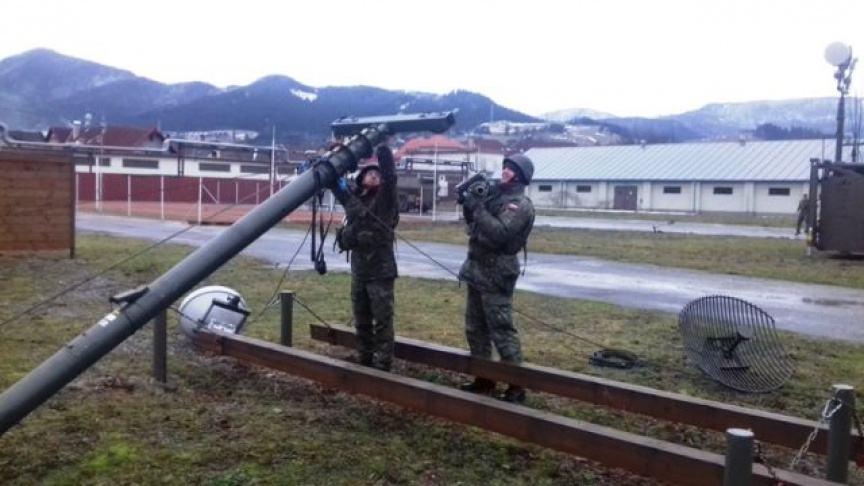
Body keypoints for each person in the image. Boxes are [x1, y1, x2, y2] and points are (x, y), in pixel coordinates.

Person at [458, 154, 536, 403]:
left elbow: (501, 233)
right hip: (477, 269)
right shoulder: (494, 197)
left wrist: (478, 208)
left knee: (501, 329)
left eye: (510, 169)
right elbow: (474, 227)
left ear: (520, 176)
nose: (504, 172)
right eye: (504, 168)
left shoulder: (519, 205)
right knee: (476, 328)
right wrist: (470, 205)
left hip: (497, 273)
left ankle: (516, 385)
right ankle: (484, 378)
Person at [332, 142, 400, 371]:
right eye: (369, 173)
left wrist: (382, 149)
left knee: (382, 320)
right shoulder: (354, 200)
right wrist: (335, 160)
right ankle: (365, 359)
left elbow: (390, 177)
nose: (373, 175)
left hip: (380, 272)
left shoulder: (385, 201)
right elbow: (337, 186)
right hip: (360, 271)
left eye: (376, 174)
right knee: (361, 319)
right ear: (361, 178)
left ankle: (382, 365)